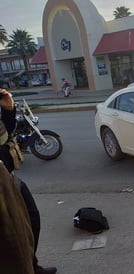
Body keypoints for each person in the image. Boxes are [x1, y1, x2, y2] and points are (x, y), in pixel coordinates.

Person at [0, 89, 57, 274]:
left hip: (7, 175)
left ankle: (30, 264)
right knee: (9, 234)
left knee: (31, 218)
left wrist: (8, 109)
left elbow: (6, 134)